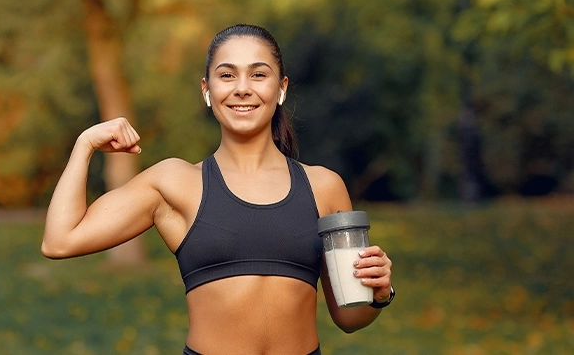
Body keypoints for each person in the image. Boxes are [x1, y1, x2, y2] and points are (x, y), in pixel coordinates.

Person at [42, 23, 393, 355]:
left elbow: (349, 316)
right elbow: (60, 240)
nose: (242, 88)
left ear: (281, 88)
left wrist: (379, 293)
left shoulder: (325, 187)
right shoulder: (175, 183)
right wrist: (84, 144)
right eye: (227, 75)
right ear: (207, 90)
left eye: (258, 74)